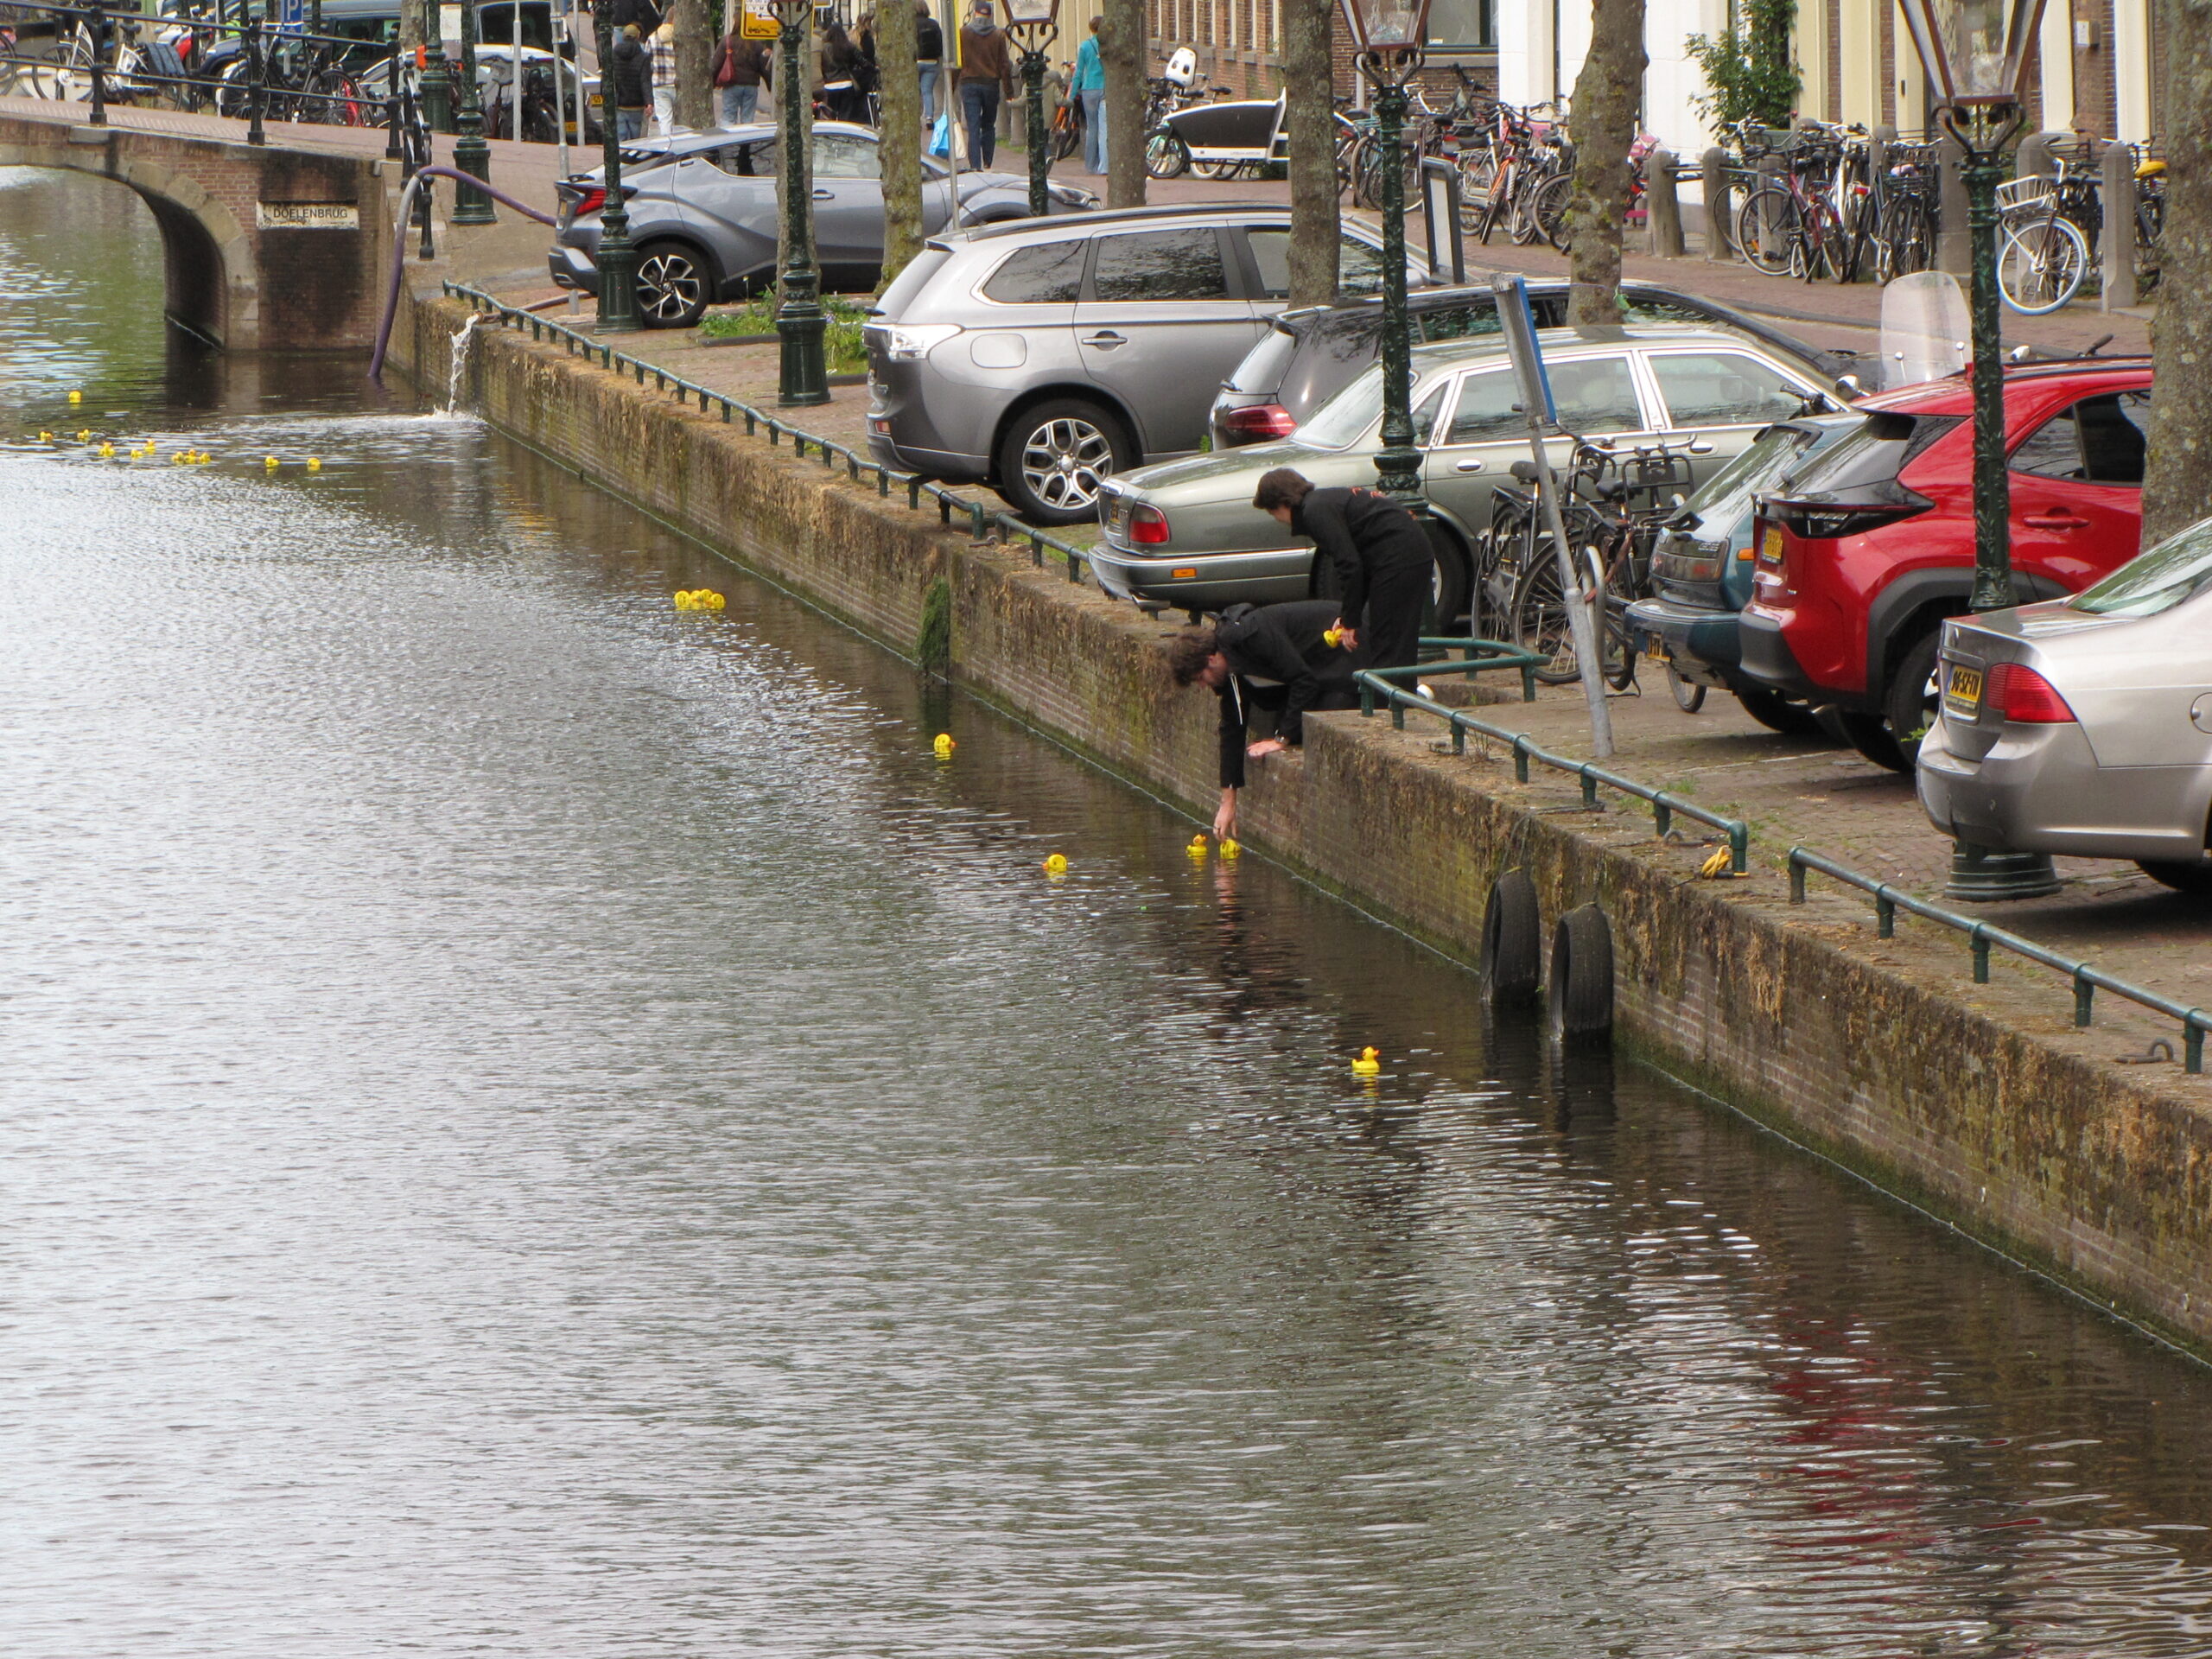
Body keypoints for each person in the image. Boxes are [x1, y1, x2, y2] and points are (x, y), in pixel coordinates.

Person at [1170, 601, 1363, 840]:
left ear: (1211, 658)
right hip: (1312, 671)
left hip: (1342, 656)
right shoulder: (1229, 668)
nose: (1202, 685)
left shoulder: (1251, 634)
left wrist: (1282, 739)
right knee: (1290, 727)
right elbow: (1232, 727)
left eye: (1200, 678)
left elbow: (1303, 680)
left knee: (1319, 727)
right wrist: (1228, 803)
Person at [1251, 467, 1432, 677]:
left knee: (1388, 642)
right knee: (1393, 638)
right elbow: (1358, 564)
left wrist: (1350, 622)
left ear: (1282, 503)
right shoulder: (1323, 501)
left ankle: (1391, 704)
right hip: (1406, 552)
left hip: (1400, 557)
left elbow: (1349, 564)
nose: (1278, 520)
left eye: (1273, 512)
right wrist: (1347, 617)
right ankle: (1397, 700)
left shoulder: (1314, 512)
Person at [955, 0, 1013, 167]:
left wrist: (951, 87)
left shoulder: (963, 33)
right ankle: (988, 162)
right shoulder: (998, 35)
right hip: (990, 84)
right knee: (988, 125)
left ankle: (975, 166)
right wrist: (1009, 92)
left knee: (973, 127)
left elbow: (958, 63)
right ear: (991, 15)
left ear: (974, 13)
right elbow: (1004, 65)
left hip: (969, 83)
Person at [709, 23, 772, 126]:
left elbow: (716, 64)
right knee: (748, 118)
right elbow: (763, 68)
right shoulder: (756, 44)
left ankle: (729, 141)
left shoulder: (727, 41)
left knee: (728, 116)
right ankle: (746, 141)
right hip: (751, 86)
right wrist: (770, 85)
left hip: (732, 84)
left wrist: (713, 82)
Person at [1071, 14, 1104, 175]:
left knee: (1092, 128)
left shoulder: (1085, 46)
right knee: (1104, 128)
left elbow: (1078, 72)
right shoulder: (1108, 45)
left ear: (1091, 29)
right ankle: (1103, 163)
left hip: (1088, 89)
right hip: (1105, 88)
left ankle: (1090, 164)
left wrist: (1071, 95)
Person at [607, 21, 651, 141]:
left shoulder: (613, 54)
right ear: (638, 36)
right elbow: (645, 80)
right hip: (636, 104)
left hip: (619, 103)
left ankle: (622, 158)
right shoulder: (643, 57)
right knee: (635, 140)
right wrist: (649, 102)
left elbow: (609, 78)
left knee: (620, 137)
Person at [819, 20, 865, 121]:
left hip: (830, 85)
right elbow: (863, 62)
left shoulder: (824, 48)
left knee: (831, 115)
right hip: (846, 83)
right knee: (846, 115)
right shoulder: (848, 47)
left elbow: (821, 66)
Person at [915, 0, 943, 129]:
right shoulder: (934, 24)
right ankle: (929, 117)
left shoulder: (911, 24)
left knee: (915, 91)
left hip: (915, 61)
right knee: (927, 91)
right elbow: (940, 43)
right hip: (932, 62)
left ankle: (915, 116)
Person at [648, 19, 677, 135]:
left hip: (659, 84)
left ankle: (666, 145)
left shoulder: (652, 38)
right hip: (677, 83)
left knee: (665, 119)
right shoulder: (680, 37)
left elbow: (647, 60)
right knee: (681, 121)